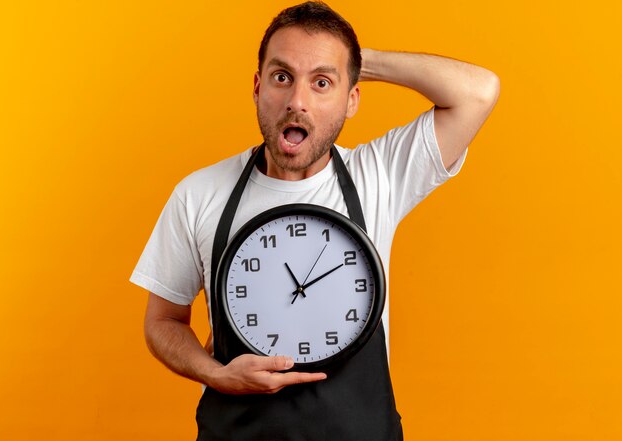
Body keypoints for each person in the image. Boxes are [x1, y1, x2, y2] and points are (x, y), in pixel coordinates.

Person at [130, 1, 499, 439]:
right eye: (282, 76)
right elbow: (163, 322)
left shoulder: (377, 175)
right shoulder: (200, 193)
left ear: (352, 98)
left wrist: (360, 61)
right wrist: (216, 373)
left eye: (322, 82)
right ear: (256, 86)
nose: (297, 101)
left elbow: (478, 91)